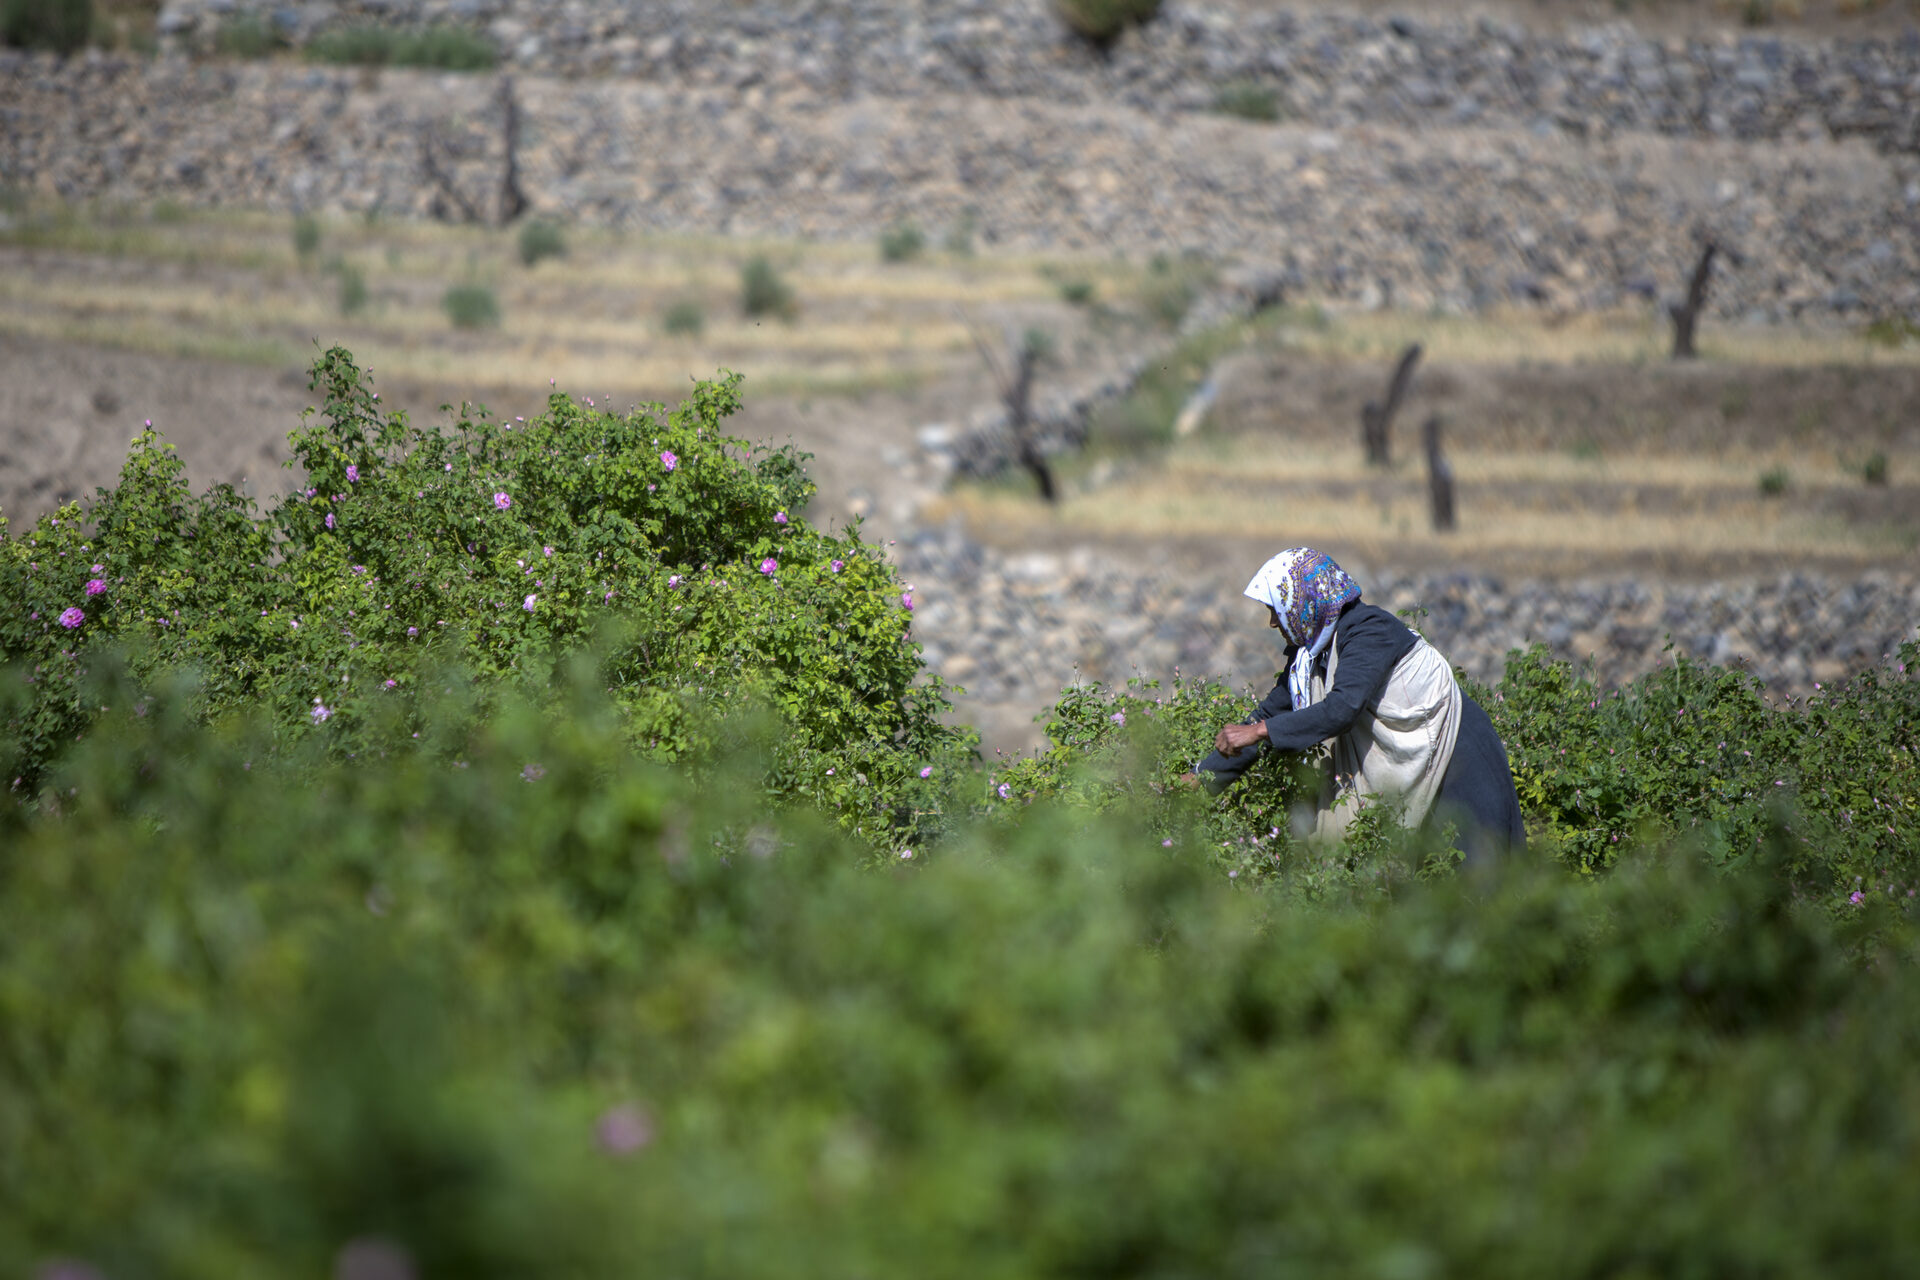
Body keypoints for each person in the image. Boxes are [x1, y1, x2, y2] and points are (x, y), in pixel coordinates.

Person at [1183, 547, 1525, 864]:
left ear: (1303, 602)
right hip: (1414, 762)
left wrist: (1259, 731)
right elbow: (1271, 715)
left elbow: (1342, 708)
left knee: (1480, 879)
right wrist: (1200, 779)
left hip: (1455, 754)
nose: (1273, 622)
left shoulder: (1368, 631)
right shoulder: (1309, 658)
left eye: (1276, 609)